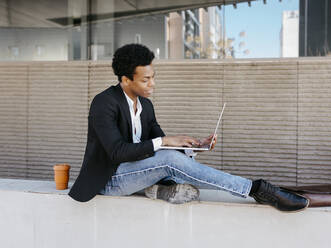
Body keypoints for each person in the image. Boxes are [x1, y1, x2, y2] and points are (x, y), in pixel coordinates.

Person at [68, 44, 309, 212]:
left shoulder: (146, 106)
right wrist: (165, 143)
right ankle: (256, 189)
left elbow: (160, 148)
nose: (153, 84)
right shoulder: (104, 102)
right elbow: (117, 152)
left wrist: (194, 147)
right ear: (125, 80)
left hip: (138, 173)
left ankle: (157, 188)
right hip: (109, 180)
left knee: (176, 162)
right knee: (171, 161)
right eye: (145, 79)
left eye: (153, 76)